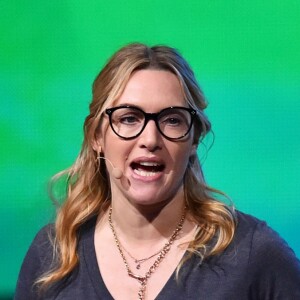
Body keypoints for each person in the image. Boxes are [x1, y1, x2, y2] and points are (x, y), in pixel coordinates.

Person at [15, 43, 300, 300]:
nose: (150, 139)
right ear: (96, 137)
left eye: (172, 120)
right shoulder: (52, 256)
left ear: (194, 139)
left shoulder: (253, 254)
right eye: (128, 118)